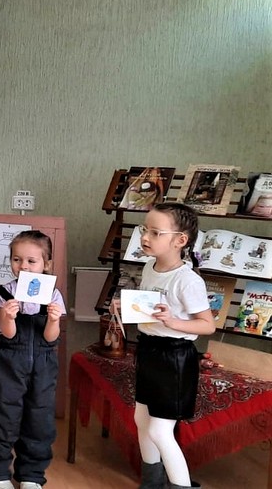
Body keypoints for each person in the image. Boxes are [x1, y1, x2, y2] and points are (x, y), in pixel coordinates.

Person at [112, 202, 215, 489]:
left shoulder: (188, 280)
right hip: (148, 351)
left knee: (160, 430)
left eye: (155, 232)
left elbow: (207, 325)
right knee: (142, 420)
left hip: (175, 358)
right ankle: (152, 483)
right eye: (145, 230)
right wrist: (124, 306)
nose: (145, 237)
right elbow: (149, 312)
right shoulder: (149, 266)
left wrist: (173, 321)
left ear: (180, 240)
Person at [0, 231, 65, 489]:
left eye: (31, 261)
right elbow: (8, 335)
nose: (23, 266)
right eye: (17, 260)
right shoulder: (6, 292)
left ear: (46, 264)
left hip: (44, 363)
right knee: (3, 416)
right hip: (10, 361)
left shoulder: (53, 295)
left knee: (40, 419)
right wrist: (7, 317)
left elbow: (51, 338)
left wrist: (53, 320)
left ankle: (31, 474)